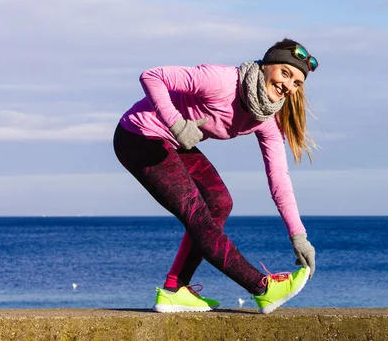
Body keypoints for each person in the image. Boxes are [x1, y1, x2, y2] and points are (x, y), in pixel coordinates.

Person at [113, 38, 318, 314]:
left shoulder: (267, 120)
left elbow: (279, 177)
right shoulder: (222, 80)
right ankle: (263, 288)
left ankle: (175, 289)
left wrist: (298, 236)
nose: (288, 86)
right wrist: (175, 122)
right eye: (285, 73)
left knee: (220, 202)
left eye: (296, 83)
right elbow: (152, 76)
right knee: (198, 216)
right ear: (267, 65)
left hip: (174, 142)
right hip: (138, 137)